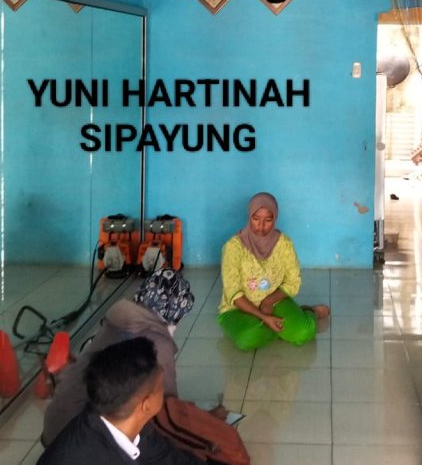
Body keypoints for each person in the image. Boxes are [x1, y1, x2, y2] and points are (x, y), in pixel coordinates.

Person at [42, 269, 195, 446]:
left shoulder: (117, 322)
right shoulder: (157, 341)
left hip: (56, 429)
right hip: (80, 442)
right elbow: (169, 409)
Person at [39, 336, 202, 464]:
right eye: (161, 386)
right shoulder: (86, 456)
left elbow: (168, 458)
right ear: (146, 405)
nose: (164, 389)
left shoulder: (121, 420)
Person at [218, 192, 328, 351]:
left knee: (304, 332)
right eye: (256, 219)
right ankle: (275, 325)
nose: (261, 226)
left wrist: (268, 302)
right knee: (247, 340)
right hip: (237, 308)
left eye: (268, 220)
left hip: (275, 302)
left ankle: (311, 312)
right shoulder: (233, 247)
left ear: (275, 218)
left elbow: (293, 281)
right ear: (249, 217)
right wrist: (264, 316)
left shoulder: (284, 244)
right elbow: (233, 292)